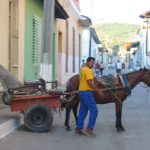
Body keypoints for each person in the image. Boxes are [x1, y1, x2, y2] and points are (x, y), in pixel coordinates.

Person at [75, 57, 104, 137]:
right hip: (87, 93)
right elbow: (90, 82)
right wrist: (98, 90)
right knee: (94, 110)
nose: (93, 64)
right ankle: (89, 129)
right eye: (91, 62)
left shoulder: (82, 69)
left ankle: (78, 129)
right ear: (87, 62)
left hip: (81, 92)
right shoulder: (88, 71)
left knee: (83, 111)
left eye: (93, 63)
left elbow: (82, 79)